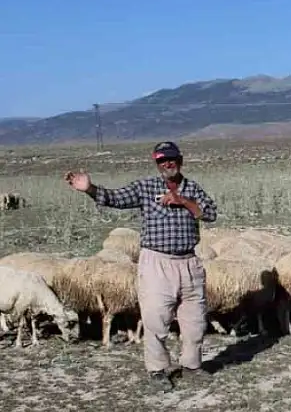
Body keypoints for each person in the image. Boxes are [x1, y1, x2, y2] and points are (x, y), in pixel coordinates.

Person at [64, 141, 218, 393]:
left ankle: (192, 365)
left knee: (195, 319)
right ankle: (157, 369)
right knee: (156, 318)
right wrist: (89, 188)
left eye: (171, 159)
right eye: (162, 160)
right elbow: (115, 198)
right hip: (157, 262)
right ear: (156, 163)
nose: (168, 164)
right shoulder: (145, 187)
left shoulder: (193, 188)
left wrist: (182, 201)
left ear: (180, 160)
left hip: (189, 261)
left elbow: (210, 213)